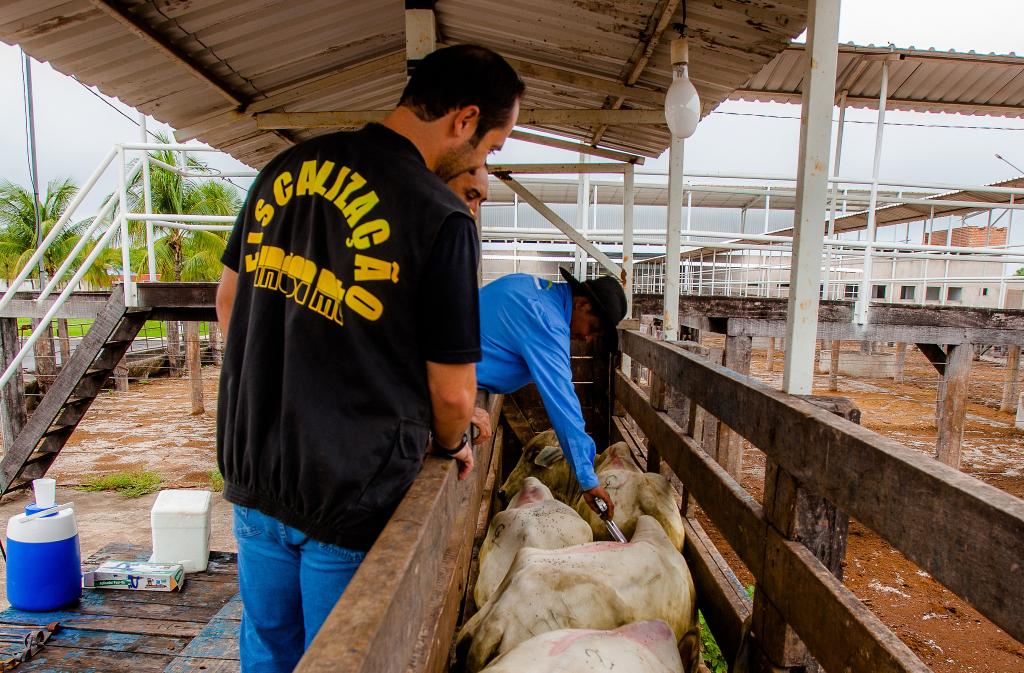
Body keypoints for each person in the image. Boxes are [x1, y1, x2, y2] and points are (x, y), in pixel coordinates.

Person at [215, 45, 524, 672]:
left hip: (257, 471)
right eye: (492, 146)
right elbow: (454, 396)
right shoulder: (440, 215)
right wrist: (451, 442)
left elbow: (229, 303)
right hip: (350, 489)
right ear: (464, 120)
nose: (484, 161)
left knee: (269, 651)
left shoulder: (285, 168)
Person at [476, 267, 627, 517]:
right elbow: (562, 401)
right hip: (429, 380)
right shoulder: (547, 320)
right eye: (594, 327)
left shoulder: (529, 286)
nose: (588, 338)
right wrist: (588, 480)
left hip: (441, 370)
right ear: (582, 304)